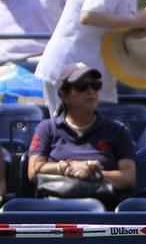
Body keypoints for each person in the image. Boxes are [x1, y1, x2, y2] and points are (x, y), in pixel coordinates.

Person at [28, 64, 137, 201]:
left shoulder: (117, 130)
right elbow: (33, 171)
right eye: (81, 86)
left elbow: (128, 177)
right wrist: (69, 167)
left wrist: (93, 174)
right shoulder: (47, 128)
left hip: (103, 206)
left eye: (95, 86)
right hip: (55, 205)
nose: (90, 91)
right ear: (64, 95)